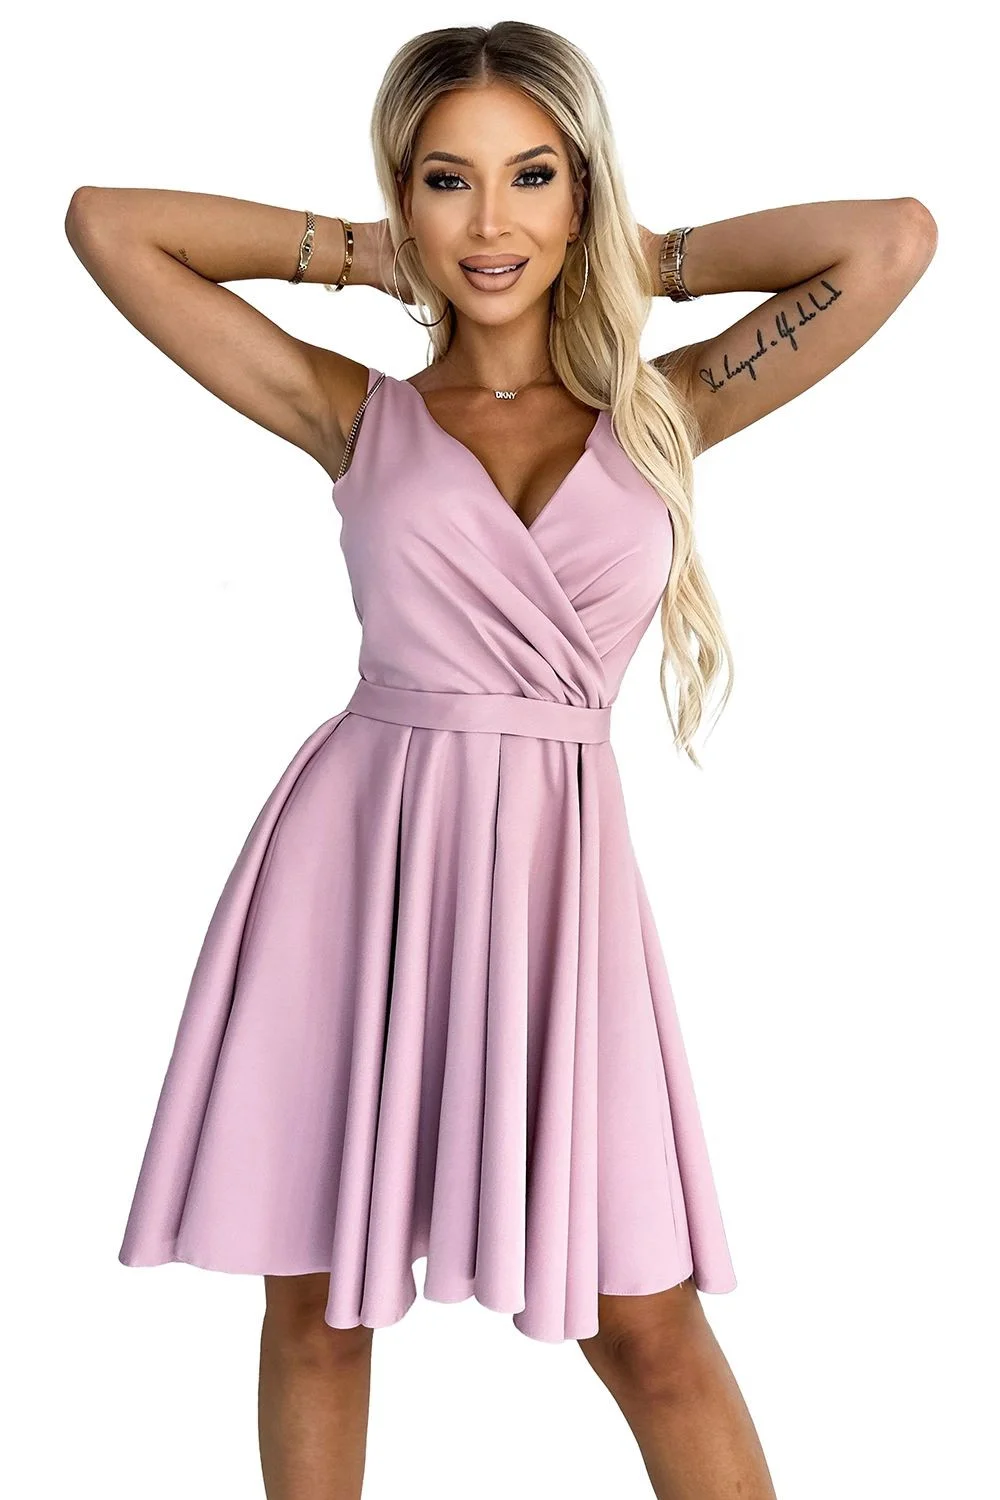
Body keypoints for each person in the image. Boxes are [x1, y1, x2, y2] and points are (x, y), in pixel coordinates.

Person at [64, 20, 936, 1500]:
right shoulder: (355, 413)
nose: (490, 221)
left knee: (650, 1328)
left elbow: (892, 241)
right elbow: (109, 225)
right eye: (446, 180)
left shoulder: (665, 411)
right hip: (361, 864)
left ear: (584, 190)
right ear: (402, 195)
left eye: (532, 176)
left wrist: (645, 259)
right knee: (318, 1306)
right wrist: (366, 254)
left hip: (556, 892)